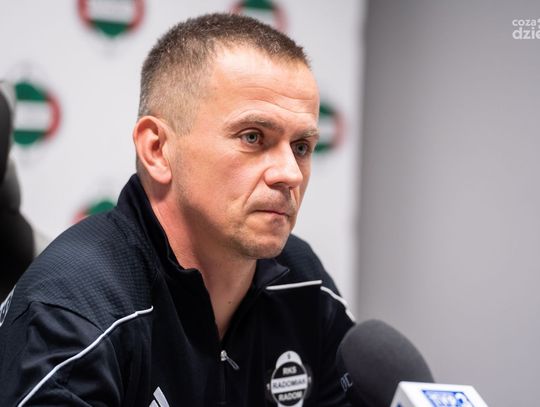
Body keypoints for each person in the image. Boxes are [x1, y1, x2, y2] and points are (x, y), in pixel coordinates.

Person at [0, 13, 355, 406]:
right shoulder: (76, 306)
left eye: (301, 147)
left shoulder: (303, 280)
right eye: (253, 137)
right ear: (157, 149)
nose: (290, 173)